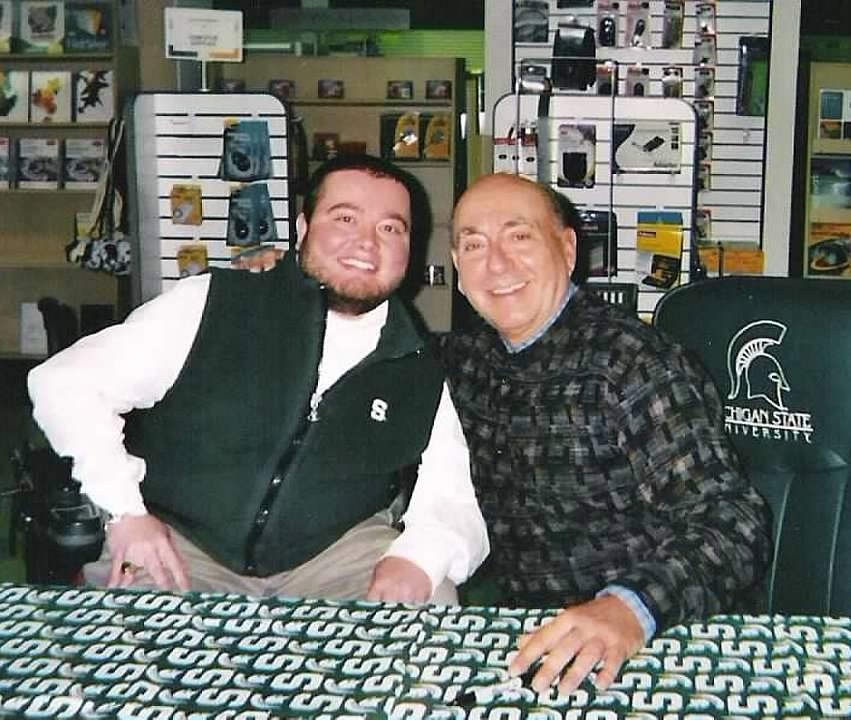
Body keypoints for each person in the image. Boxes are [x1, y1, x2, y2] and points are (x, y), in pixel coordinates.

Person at [28, 154, 489, 604]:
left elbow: (454, 489)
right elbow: (65, 383)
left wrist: (419, 559)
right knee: (116, 660)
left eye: (390, 228)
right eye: (345, 219)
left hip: (338, 556)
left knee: (427, 614)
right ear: (303, 227)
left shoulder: (422, 365)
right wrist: (126, 512)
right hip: (181, 546)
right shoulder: (214, 305)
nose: (367, 242)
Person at [443, 173, 772, 694]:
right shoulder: (463, 363)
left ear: (568, 249)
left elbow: (732, 523)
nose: (497, 263)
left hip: (656, 635)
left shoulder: (634, 363)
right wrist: (278, 281)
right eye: (474, 244)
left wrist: (629, 607)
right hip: (534, 644)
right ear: (458, 269)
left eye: (519, 235)